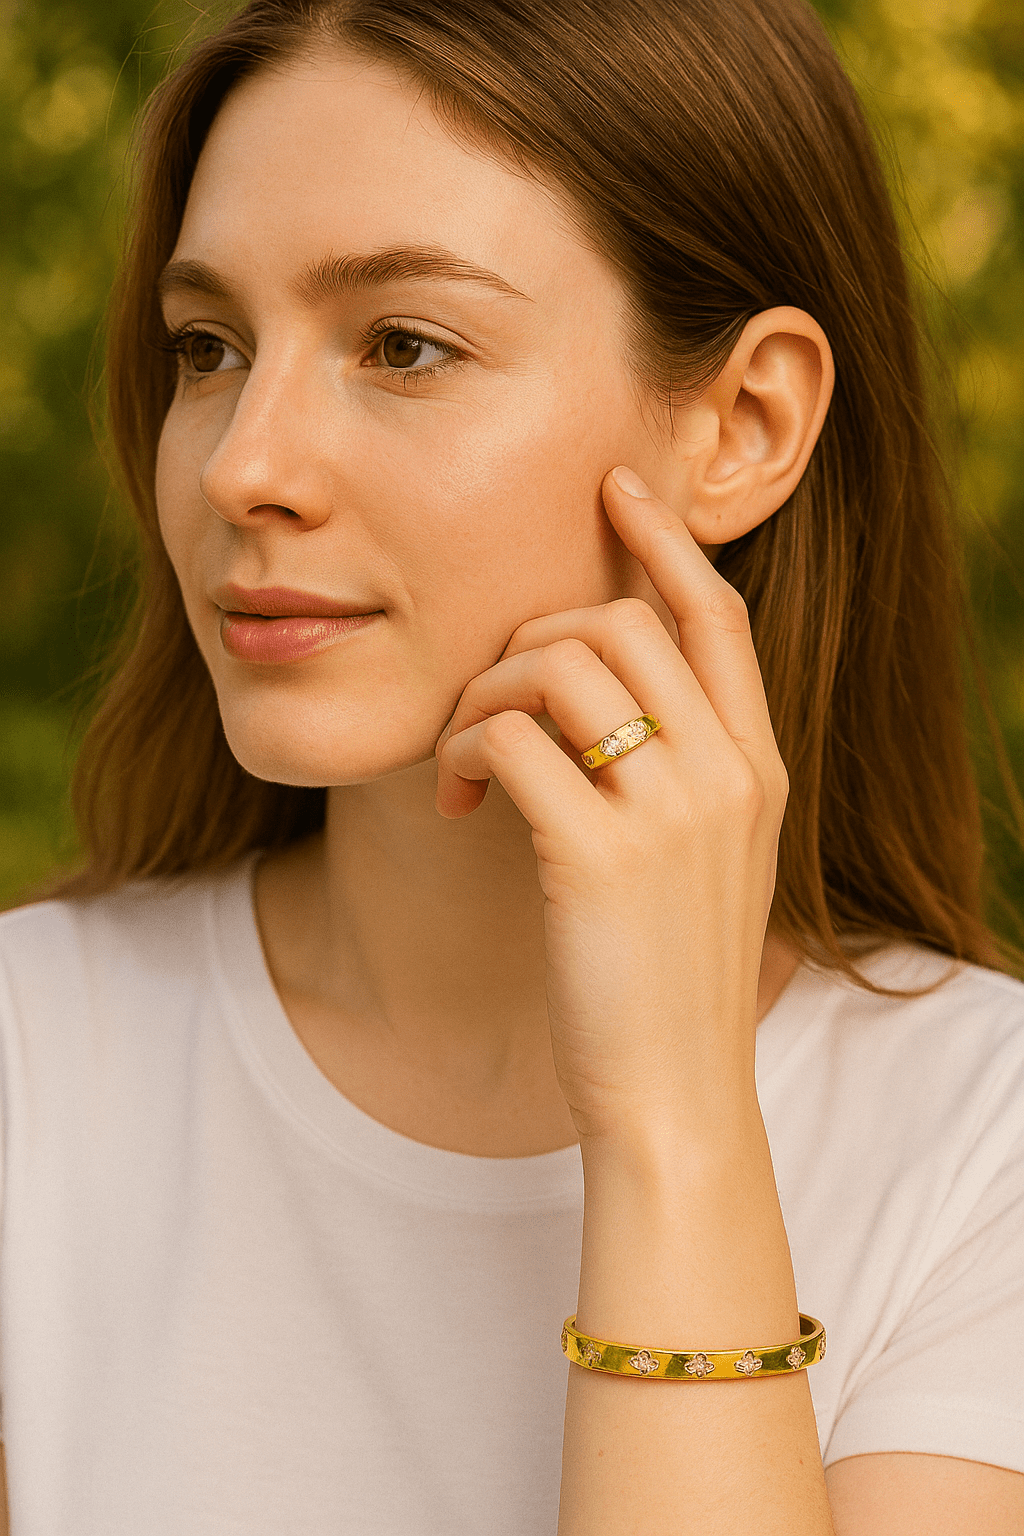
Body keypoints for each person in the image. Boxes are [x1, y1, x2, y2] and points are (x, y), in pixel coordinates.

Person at [0, 0, 1022, 1529]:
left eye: (405, 344)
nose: (239, 464)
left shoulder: (983, 1148)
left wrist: (674, 1124)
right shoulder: (32, 1070)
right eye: (207, 347)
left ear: (742, 425)